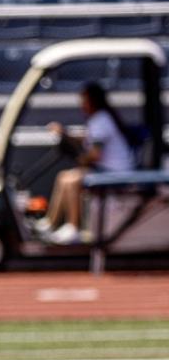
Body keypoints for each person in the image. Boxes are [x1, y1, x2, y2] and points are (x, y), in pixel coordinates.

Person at [36, 81, 136, 244]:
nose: (82, 104)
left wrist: (81, 159)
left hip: (115, 174)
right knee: (64, 176)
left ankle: (74, 228)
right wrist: (64, 133)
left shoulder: (101, 120)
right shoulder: (99, 119)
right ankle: (50, 223)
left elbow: (95, 155)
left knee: (73, 181)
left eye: (84, 100)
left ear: (93, 101)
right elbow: (87, 138)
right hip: (107, 170)